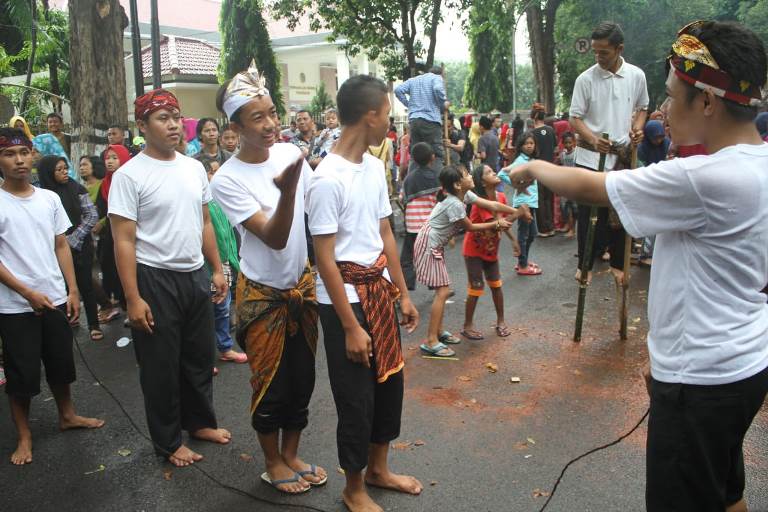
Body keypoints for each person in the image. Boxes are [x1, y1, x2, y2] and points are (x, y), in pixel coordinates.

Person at [506, 20, 768, 512]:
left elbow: (595, 189)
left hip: (700, 382)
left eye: (671, 97)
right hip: (744, 363)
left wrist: (533, 168)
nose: (664, 111)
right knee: (726, 490)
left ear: (708, 102)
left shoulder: (702, 178)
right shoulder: (759, 163)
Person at [307, 74, 422, 512]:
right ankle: (353, 487)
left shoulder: (373, 167)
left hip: (379, 291)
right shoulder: (326, 179)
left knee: (389, 384)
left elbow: (385, 233)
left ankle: (378, 468)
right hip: (345, 303)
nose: (391, 123)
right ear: (370, 115)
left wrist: (403, 293)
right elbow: (325, 257)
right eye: (388, 115)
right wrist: (351, 327)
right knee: (355, 398)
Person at [209, 62, 326, 494]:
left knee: (303, 380)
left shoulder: (289, 154)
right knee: (271, 385)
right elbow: (275, 237)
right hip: (262, 295)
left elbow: (320, 210)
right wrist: (289, 189)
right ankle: (272, 461)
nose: (271, 124)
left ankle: (292, 453)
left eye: (273, 112)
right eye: (257, 118)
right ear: (235, 126)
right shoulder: (227, 179)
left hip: (303, 285)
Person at [109, 89, 231, 467]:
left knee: (199, 356)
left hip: (194, 273)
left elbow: (205, 221)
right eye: (162, 118)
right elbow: (123, 239)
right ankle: (167, 441)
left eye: (176, 116)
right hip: (154, 278)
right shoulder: (129, 176)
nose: (174, 124)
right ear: (142, 126)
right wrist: (132, 297)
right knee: (161, 365)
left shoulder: (193, 167)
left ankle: (199, 423)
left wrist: (216, 267)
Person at [0, 128, 105, 466]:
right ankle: (25, 435)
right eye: (9, 154)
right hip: (15, 305)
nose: (18, 160)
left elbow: (61, 244)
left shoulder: (49, 199)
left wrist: (72, 290)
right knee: (22, 374)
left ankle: (67, 415)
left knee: (61, 363)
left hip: (56, 297)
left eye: (23, 153)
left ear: (32, 155)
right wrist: (27, 293)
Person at [415, 165, 526, 357]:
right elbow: (471, 227)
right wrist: (496, 223)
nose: (470, 175)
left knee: (442, 289)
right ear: (458, 184)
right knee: (442, 291)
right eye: (466, 174)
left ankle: (439, 333)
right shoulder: (455, 204)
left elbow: (493, 205)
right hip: (428, 245)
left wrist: (517, 210)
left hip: (433, 245)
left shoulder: (465, 196)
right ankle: (431, 340)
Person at [569, 21, 649, 285]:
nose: (598, 57)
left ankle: (619, 264)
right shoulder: (586, 79)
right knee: (590, 213)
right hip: (591, 156)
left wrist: (637, 128)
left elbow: (643, 108)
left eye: (604, 51)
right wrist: (592, 139)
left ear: (619, 49)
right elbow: (575, 118)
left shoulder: (636, 75)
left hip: (623, 156)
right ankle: (585, 264)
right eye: (595, 51)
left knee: (621, 209)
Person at [38, 155, 102, 341]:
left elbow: (91, 215)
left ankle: (93, 324)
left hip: (81, 246)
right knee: (62, 286)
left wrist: (73, 239)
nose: (65, 172)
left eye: (65, 168)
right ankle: (70, 318)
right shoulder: (42, 195)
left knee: (85, 285)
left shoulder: (76, 189)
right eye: (59, 169)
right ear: (48, 173)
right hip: (54, 249)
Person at [199, 158, 247, 366]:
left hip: (224, 264)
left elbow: (229, 236)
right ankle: (203, 359)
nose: (216, 176)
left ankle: (225, 347)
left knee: (222, 307)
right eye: (212, 172)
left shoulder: (220, 200)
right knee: (208, 310)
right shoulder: (201, 204)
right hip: (207, 265)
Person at [461, 164, 516, 340]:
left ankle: (501, 321)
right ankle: (467, 326)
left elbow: (503, 221)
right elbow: (496, 224)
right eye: (489, 172)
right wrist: (519, 213)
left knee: (496, 285)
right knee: (476, 288)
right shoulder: (480, 202)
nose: (494, 173)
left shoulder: (501, 197)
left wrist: (513, 239)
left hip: (491, 251)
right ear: (483, 182)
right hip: (474, 251)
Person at [94, 144, 130, 323]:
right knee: (109, 267)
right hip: (110, 234)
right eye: (108, 157)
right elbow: (102, 210)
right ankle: (116, 303)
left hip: (129, 233)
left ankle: (130, 304)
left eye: (115, 157)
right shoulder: (105, 184)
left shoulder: (130, 180)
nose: (110, 161)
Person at [499, 131, 541, 276]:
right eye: (526, 144)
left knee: (532, 234)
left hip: (531, 202)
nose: (529, 146)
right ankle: (522, 265)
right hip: (524, 203)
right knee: (524, 235)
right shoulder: (520, 162)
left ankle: (523, 260)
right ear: (521, 146)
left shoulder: (529, 160)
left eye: (532, 143)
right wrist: (518, 186)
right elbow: (502, 174)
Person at [401, 142, 440, 290]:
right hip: (430, 227)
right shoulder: (437, 178)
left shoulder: (409, 179)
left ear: (414, 159)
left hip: (412, 227)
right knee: (432, 256)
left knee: (407, 259)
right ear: (432, 157)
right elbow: (440, 202)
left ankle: (407, 286)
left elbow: (402, 199)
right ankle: (435, 284)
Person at [394, 66, 448, 172]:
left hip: (414, 120)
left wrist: (408, 104)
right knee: (436, 153)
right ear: (440, 74)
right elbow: (437, 89)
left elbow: (398, 90)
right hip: (430, 120)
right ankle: (437, 182)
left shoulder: (414, 80)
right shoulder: (436, 78)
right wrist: (443, 103)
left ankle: (413, 183)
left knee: (415, 154)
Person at [530, 107, 558, 237]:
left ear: (535, 116)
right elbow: (556, 148)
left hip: (538, 169)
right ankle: (551, 226)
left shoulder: (532, 134)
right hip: (551, 169)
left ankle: (543, 229)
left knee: (540, 200)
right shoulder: (551, 130)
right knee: (549, 198)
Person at [557, 132, 577, 238]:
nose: (568, 145)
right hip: (565, 184)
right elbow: (560, 165)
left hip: (574, 184)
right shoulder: (563, 154)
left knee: (574, 208)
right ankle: (568, 226)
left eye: (570, 142)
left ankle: (573, 229)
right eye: (566, 143)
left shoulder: (577, 154)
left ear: (573, 142)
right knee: (565, 207)